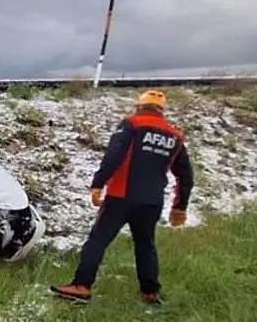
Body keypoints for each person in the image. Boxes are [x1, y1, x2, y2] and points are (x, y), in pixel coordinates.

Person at [50, 89, 195, 306]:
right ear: (161, 110)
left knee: (97, 241)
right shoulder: (175, 136)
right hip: (152, 201)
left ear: (139, 106)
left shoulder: (132, 124)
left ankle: (81, 286)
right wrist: (179, 207)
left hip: (121, 196)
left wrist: (98, 183)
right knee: (145, 245)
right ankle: (149, 292)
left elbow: (114, 155)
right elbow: (186, 176)